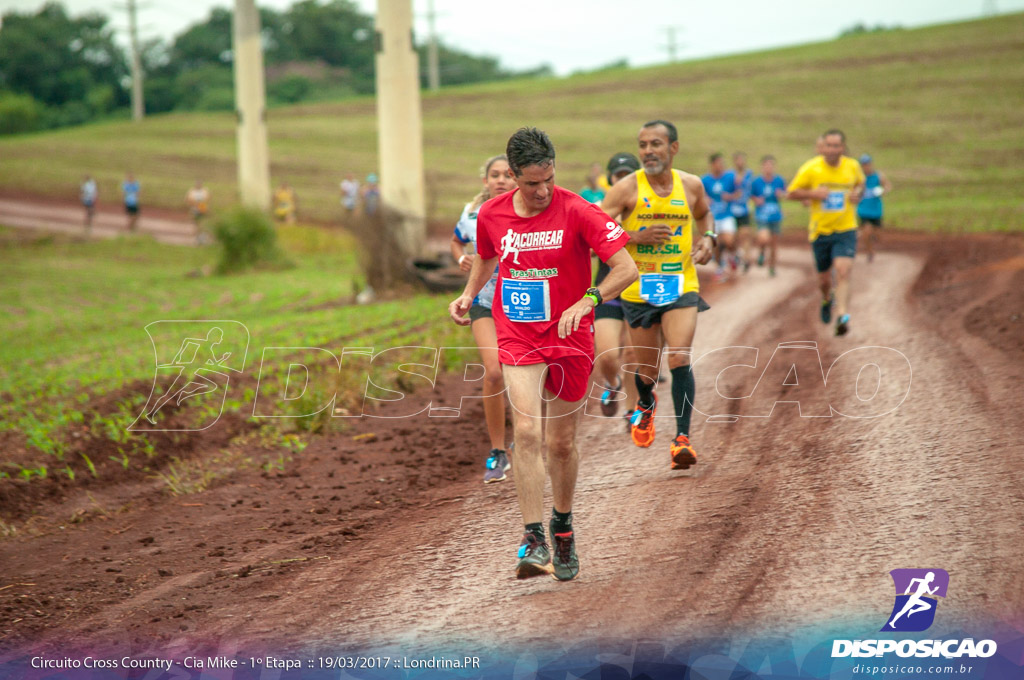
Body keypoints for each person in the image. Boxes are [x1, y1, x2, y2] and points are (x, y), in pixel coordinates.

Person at [448, 127, 637, 581]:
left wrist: (587, 300)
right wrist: (468, 293)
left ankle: (563, 527)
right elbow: (488, 258)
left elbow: (625, 268)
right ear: (512, 176)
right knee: (528, 432)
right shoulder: (491, 214)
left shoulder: (577, 209)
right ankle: (533, 538)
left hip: (570, 335)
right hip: (518, 332)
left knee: (561, 442)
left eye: (548, 178)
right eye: (531, 183)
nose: (541, 190)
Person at [601, 119, 716, 472]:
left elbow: (705, 214)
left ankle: (682, 439)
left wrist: (708, 238)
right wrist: (636, 236)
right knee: (647, 371)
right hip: (638, 288)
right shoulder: (626, 188)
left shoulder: (691, 184)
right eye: (643, 145)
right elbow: (598, 226)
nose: (648, 151)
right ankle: (646, 406)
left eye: (655, 144)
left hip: (681, 283)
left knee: (679, 356)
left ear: (673, 148)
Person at [449, 155, 517, 483]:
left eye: (507, 175)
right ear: (485, 181)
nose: (501, 180)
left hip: (522, 303)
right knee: (493, 372)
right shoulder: (472, 213)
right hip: (484, 301)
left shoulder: (527, 211)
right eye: (495, 175)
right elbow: (456, 241)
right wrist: (462, 258)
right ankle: (497, 451)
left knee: (527, 372)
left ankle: (528, 433)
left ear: (518, 180)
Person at [786, 129, 866, 336]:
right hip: (820, 231)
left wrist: (857, 194)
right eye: (828, 145)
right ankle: (826, 298)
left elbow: (861, 183)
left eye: (836, 146)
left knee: (843, 270)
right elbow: (791, 193)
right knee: (823, 280)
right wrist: (814, 193)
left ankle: (842, 315)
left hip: (846, 228)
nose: (832, 150)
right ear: (824, 147)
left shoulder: (852, 166)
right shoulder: (811, 168)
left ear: (843, 147)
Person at [592, 152, 642, 427]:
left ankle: (632, 410)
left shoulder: (648, 206)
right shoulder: (598, 208)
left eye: (628, 175)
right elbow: (589, 245)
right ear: (610, 178)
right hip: (608, 288)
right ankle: (613, 382)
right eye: (618, 175)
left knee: (634, 354)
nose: (622, 180)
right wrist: (635, 236)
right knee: (608, 354)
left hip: (642, 290)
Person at [701, 153, 740, 281]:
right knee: (716, 244)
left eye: (723, 163)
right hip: (713, 217)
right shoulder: (705, 180)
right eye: (719, 163)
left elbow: (739, 192)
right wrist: (705, 199)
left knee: (729, 240)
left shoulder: (729, 177)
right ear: (712, 165)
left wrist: (730, 196)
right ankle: (719, 267)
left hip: (727, 214)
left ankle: (733, 255)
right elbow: (700, 196)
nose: (721, 166)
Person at [751, 155, 786, 276]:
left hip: (775, 215)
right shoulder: (756, 182)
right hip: (762, 215)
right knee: (764, 238)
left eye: (771, 165)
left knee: (774, 244)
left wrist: (781, 194)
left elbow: (785, 194)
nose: (769, 168)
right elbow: (751, 195)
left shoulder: (779, 180)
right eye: (766, 165)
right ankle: (761, 252)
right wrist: (756, 200)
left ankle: (772, 267)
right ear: (762, 167)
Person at [856, 154, 892, 263]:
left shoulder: (878, 176)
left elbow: (888, 186)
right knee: (866, 232)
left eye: (867, 164)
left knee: (878, 234)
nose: (865, 167)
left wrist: (882, 191)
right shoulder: (859, 178)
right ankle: (870, 251)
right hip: (863, 210)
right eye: (863, 165)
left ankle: (871, 244)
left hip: (876, 210)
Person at [730, 152, 754, 272]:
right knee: (733, 237)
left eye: (742, 160)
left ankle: (747, 258)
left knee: (745, 234)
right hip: (732, 210)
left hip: (744, 208)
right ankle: (737, 254)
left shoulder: (749, 174)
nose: (740, 162)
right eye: (738, 160)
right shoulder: (729, 175)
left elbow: (751, 190)